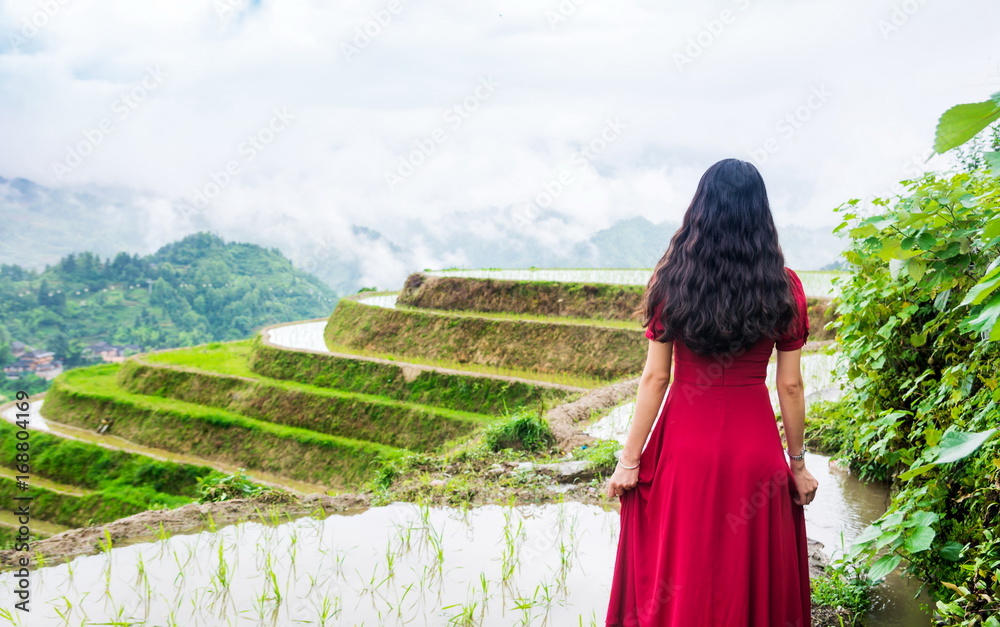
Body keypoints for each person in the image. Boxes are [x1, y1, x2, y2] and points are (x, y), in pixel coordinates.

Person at [604, 158, 819, 627]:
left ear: (699, 210)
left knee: (685, 565)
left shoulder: (671, 281)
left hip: (684, 450)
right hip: (755, 451)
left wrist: (629, 461)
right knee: (748, 571)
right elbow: (790, 385)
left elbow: (655, 379)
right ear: (760, 214)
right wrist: (797, 467)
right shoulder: (784, 287)